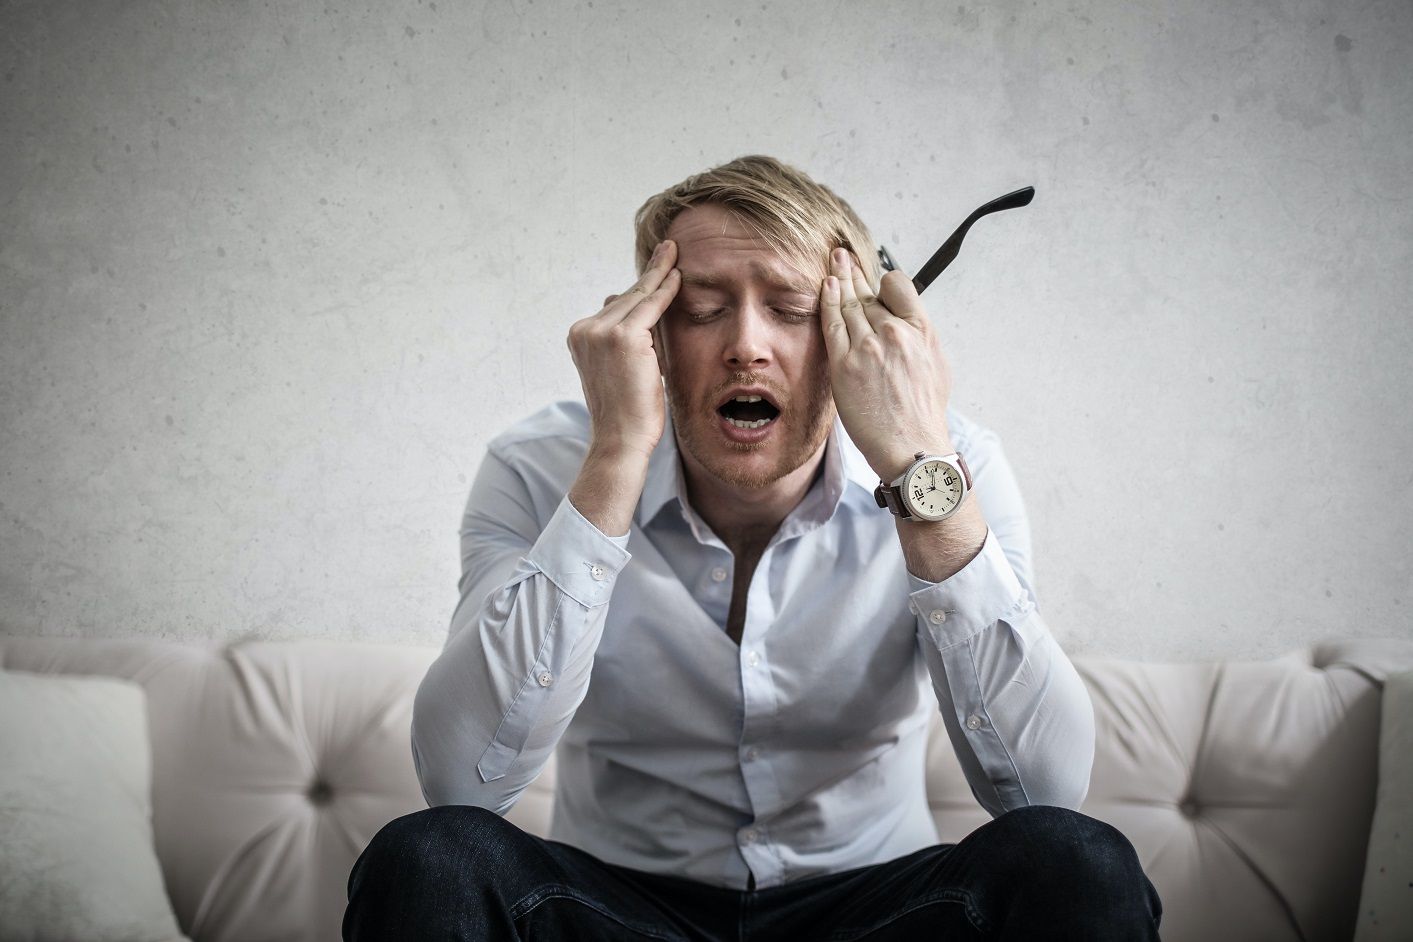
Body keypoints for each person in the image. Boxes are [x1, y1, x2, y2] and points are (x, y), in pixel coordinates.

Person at [344, 155, 1163, 940]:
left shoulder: (954, 469)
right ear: (652, 338)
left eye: (793, 310)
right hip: (617, 909)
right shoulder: (536, 468)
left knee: (1075, 862)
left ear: (857, 335)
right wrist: (615, 457)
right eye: (701, 310)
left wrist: (919, 468)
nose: (745, 345)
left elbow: (1045, 792)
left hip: (873, 911)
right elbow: (458, 784)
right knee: (430, 859)